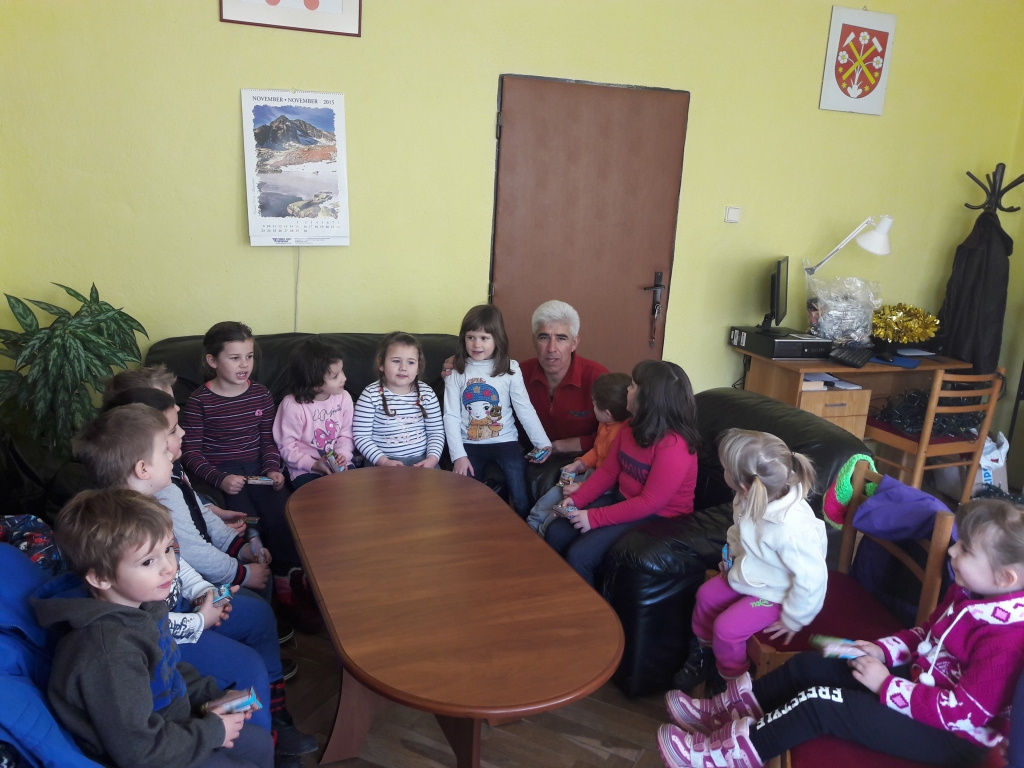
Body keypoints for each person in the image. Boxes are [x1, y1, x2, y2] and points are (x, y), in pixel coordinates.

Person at [658, 498, 1024, 768]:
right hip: (921, 686)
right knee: (807, 666)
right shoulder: (967, 592)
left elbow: (962, 712)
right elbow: (924, 634)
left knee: (820, 704)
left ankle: (725, 758)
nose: (952, 551)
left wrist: (885, 684)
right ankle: (727, 713)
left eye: (966, 549)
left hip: (951, 737)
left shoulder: (1007, 640)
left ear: (1004, 578)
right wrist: (881, 651)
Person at [72, 404, 318, 762]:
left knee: (257, 615)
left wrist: (206, 592)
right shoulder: (123, 536)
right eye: (166, 446)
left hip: (184, 607)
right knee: (245, 663)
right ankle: (262, 740)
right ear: (142, 468)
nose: (176, 447)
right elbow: (148, 622)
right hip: (176, 627)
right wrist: (201, 618)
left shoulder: (151, 510)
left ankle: (272, 724)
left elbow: (178, 561)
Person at [34, 487, 274, 768]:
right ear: (100, 578)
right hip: (154, 753)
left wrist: (211, 697)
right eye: (148, 561)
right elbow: (140, 751)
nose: (169, 567)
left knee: (260, 744)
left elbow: (167, 668)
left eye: (168, 549)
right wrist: (213, 731)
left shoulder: (143, 606)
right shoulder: (109, 654)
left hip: (176, 727)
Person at [178, 322, 314, 631]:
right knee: (248, 524)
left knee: (284, 516)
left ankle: (287, 579)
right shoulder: (200, 401)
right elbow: (191, 453)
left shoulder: (261, 394)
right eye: (235, 358)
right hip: (224, 476)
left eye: (249, 357)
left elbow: (269, 441)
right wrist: (219, 479)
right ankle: (263, 596)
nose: (244, 365)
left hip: (259, 472)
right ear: (213, 360)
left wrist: (273, 468)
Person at [673, 429, 826, 693]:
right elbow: (739, 531)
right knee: (706, 596)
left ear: (743, 484)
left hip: (778, 593)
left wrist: (795, 617)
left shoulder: (792, 529)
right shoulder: (747, 497)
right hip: (750, 574)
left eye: (725, 469)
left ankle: (732, 684)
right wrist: (731, 557)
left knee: (727, 629)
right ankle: (706, 656)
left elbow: (813, 579)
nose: (723, 472)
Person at [545, 360, 700, 587]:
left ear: (649, 399)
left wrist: (594, 518)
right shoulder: (629, 426)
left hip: (660, 518)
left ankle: (587, 607)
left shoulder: (675, 446)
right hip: (625, 501)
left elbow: (649, 503)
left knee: (581, 555)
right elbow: (608, 471)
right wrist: (577, 500)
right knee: (556, 532)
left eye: (633, 385)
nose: (628, 389)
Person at [444, 305, 551, 518]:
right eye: (471, 337)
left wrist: (542, 442)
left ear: (497, 339)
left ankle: (524, 529)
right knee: (464, 497)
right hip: (469, 444)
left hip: (505, 441)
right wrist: (458, 456)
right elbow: (451, 415)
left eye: (484, 338)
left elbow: (524, 408)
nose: (477, 344)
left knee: (520, 494)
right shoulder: (456, 372)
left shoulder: (511, 369)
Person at [526, 372, 631, 535]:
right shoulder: (604, 424)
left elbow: (612, 478)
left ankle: (541, 534)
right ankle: (530, 525)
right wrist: (579, 463)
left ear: (607, 414)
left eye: (594, 404)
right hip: (590, 474)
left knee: (560, 510)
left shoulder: (620, 435)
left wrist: (581, 487)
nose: (592, 407)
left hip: (601, 485)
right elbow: (597, 450)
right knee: (553, 494)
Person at [520, 300, 609, 455]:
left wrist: (572, 445)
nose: (551, 348)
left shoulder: (598, 377)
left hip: (583, 458)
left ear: (574, 343)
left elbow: (616, 432)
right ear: (534, 340)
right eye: (544, 337)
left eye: (561, 338)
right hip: (529, 457)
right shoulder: (517, 374)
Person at [352, 332, 444, 468]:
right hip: (381, 462)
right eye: (396, 361)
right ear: (381, 364)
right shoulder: (370, 395)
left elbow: (435, 432)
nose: (403, 368)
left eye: (411, 362)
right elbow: (361, 436)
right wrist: (383, 461)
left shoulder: (427, 393)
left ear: (418, 368)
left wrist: (432, 459)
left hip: (422, 461)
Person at [272, 338, 355, 487]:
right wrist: (314, 464)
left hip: (339, 464)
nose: (344, 378)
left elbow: (346, 435)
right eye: (335, 376)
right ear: (315, 383)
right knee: (319, 494)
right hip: (304, 468)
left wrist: (343, 455)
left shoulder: (344, 397)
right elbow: (287, 446)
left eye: (342, 371)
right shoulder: (293, 406)